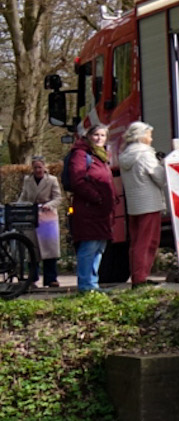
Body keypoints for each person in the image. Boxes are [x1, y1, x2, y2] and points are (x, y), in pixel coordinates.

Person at [62, 124, 115, 294]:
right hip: (89, 209)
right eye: (96, 135)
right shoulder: (81, 154)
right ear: (89, 136)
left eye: (103, 135)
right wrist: (95, 197)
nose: (99, 138)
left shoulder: (100, 156)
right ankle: (86, 285)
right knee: (89, 246)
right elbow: (77, 180)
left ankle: (93, 284)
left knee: (99, 247)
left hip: (101, 211)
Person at [116, 123, 170, 287]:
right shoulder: (145, 154)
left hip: (134, 204)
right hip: (149, 204)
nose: (151, 139)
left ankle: (137, 276)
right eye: (149, 135)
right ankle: (141, 278)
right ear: (142, 136)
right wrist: (163, 164)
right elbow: (160, 178)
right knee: (148, 242)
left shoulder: (125, 155)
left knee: (136, 242)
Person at [15, 154, 61, 288]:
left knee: (49, 249)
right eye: (35, 167)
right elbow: (23, 196)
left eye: (40, 167)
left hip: (48, 217)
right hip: (32, 215)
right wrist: (18, 206)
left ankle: (51, 279)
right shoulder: (27, 180)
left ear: (44, 167)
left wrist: (49, 205)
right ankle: (32, 279)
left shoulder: (52, 180)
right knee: (32, 248)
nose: (38, 170)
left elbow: (58, 197)